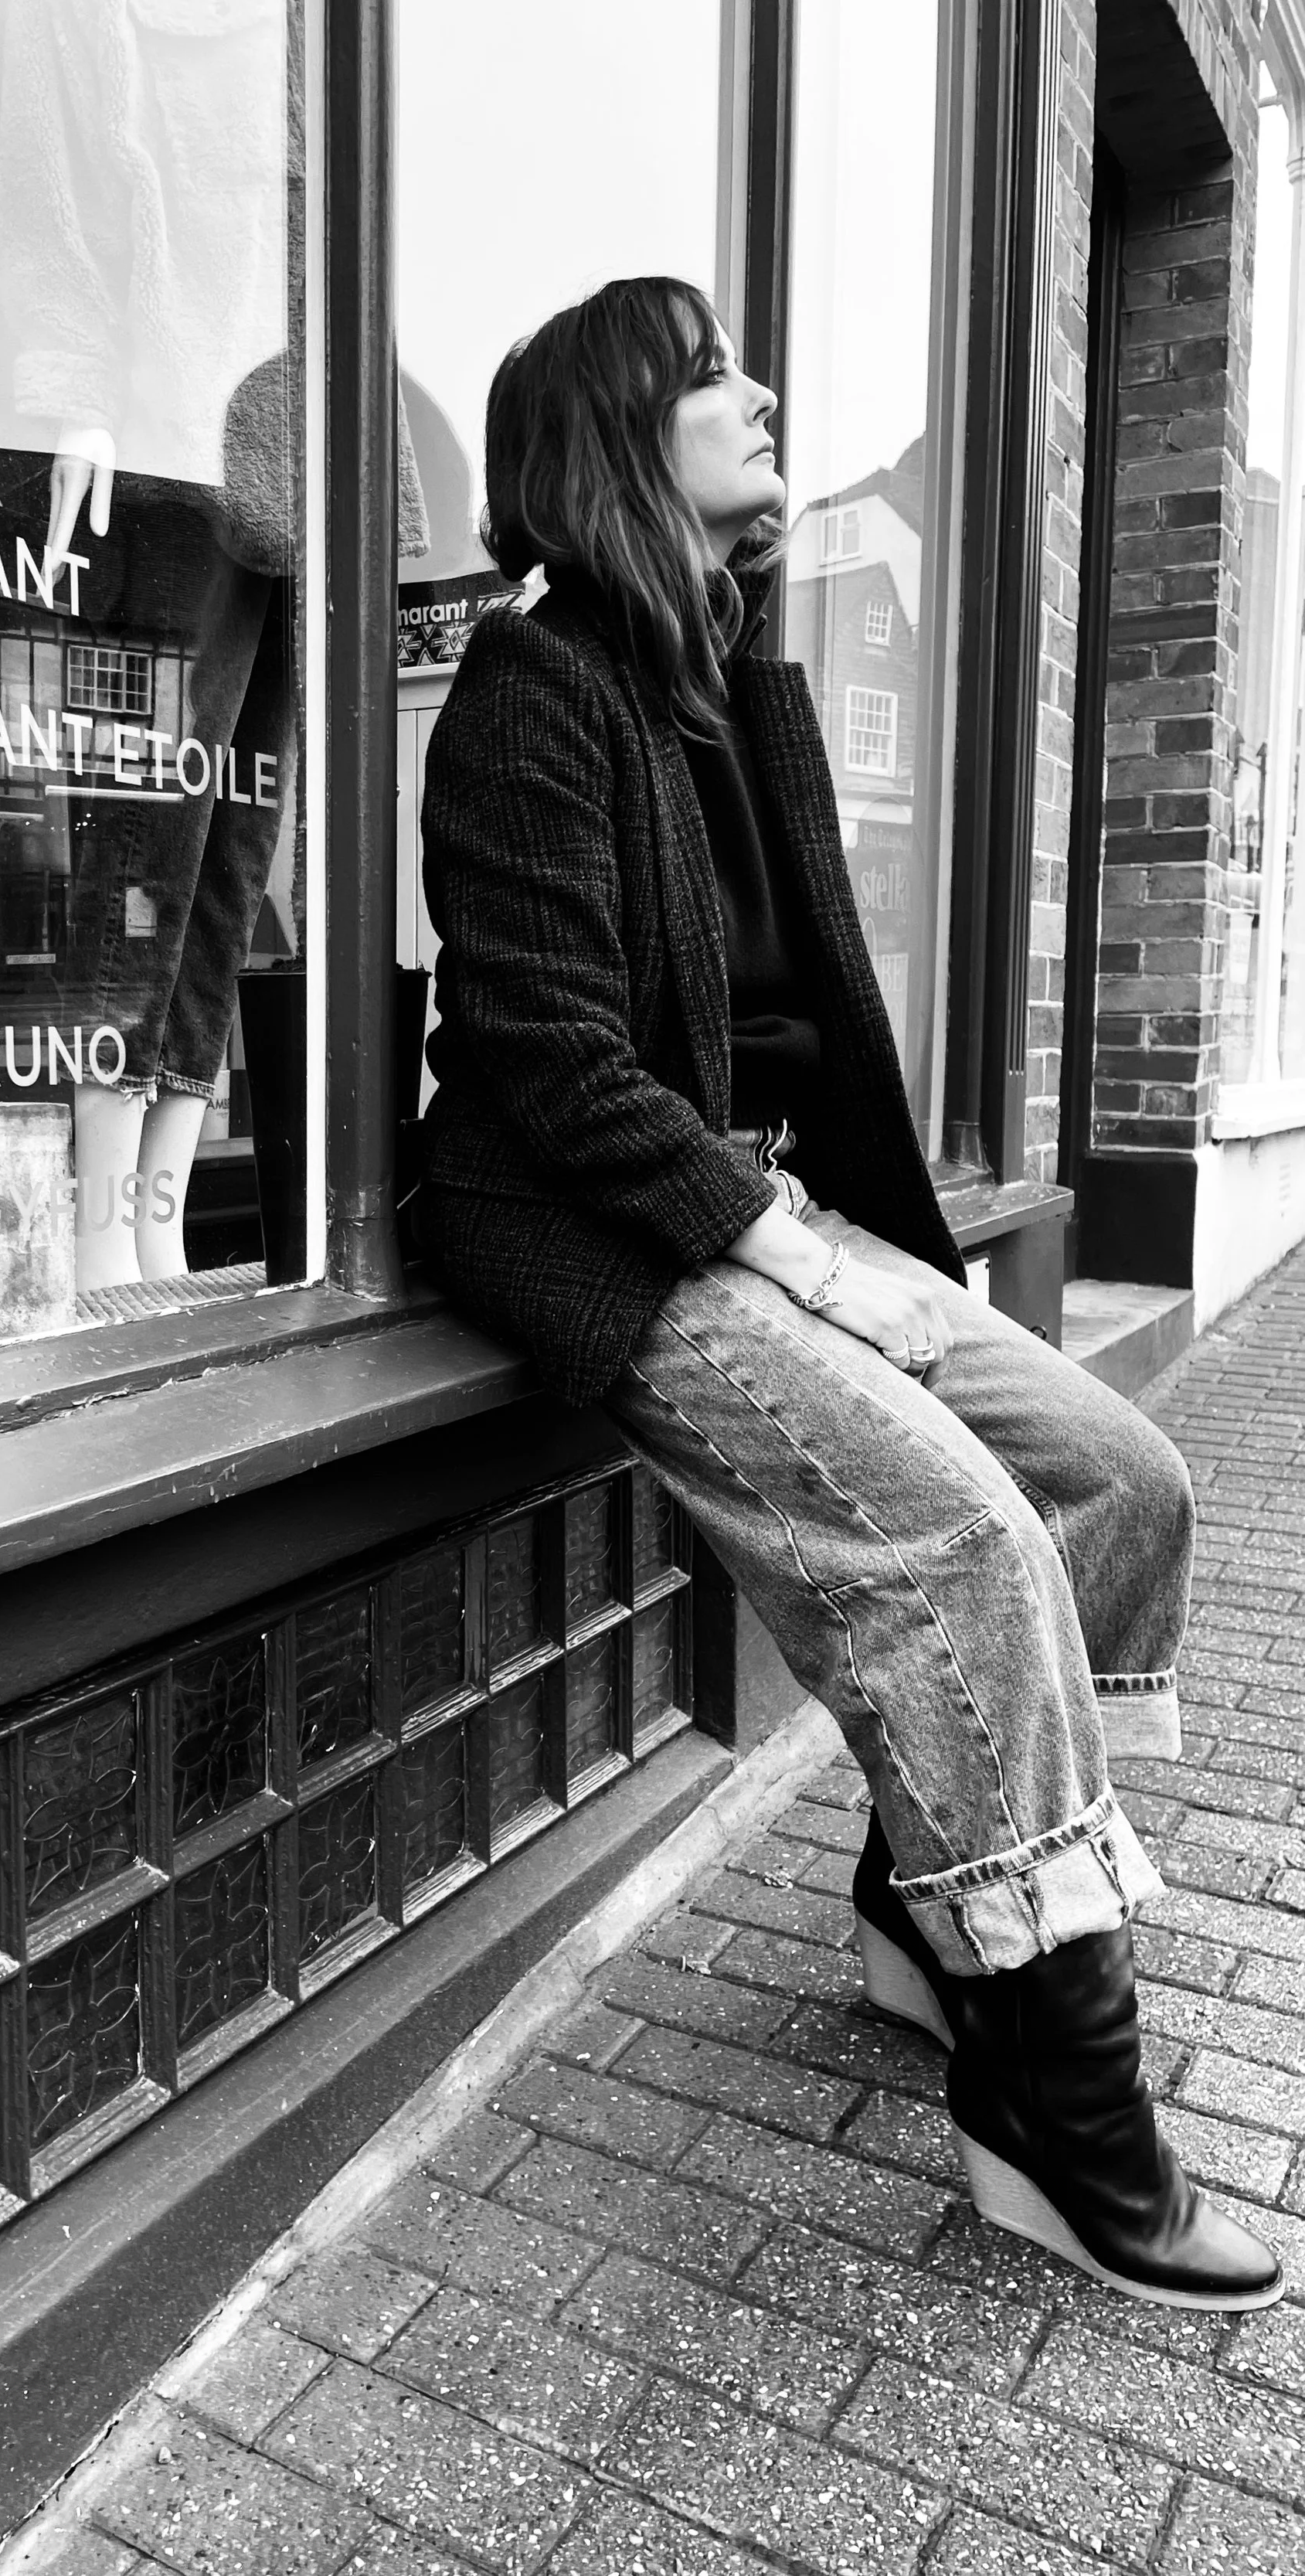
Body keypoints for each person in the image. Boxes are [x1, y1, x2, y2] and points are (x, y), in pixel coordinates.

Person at [415, 275, 1281, 2312]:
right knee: (965, 1543)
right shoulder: (530, 688)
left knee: (1121, 1477)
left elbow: (820, 1034)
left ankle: (924, 1902)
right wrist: (800, 1259)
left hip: (783, 1210)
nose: (758, 393)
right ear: (612, 440)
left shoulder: (738, 686)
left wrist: (875, 1255)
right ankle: (1056, 2104)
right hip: (618, 1230)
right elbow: (548, 1060)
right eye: (707, 372)